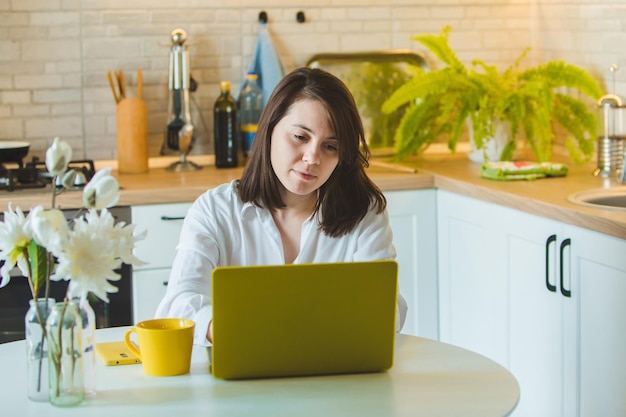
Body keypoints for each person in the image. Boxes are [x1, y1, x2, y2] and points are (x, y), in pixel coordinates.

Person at [155, 67, 408, 346]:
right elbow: (178, 303)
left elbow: (389, 311)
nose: (312, 158)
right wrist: (238, 330)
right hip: (241, 371)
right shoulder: (215, 210)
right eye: (300, 137)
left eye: (330, 146)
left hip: (335, 376)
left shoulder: (364, 213)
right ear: (270, 129)